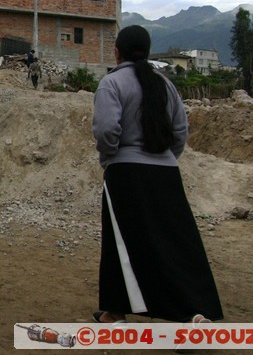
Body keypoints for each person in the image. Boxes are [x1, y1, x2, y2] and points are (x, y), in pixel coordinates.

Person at [91, 25, 222, 324]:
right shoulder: (166, 85)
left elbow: (106, 131)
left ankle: (115, 312)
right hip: (166, 174)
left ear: (117, 51)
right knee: (176, 243)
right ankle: (195, 312)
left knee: (121, 242)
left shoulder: (111, 84)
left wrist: (113, 156)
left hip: (125, 173)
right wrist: (165, 159)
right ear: (148, 52)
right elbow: (180, 132)